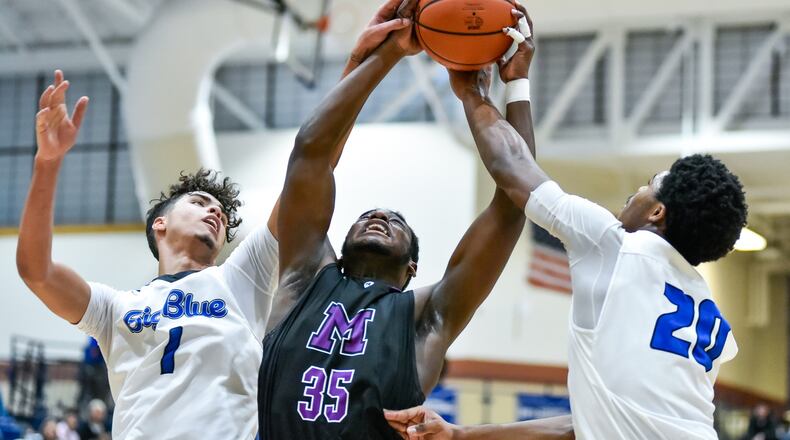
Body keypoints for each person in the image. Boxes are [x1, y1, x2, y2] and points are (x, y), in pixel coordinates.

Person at [14, 15, 395, 436]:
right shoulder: (114, 309)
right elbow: (38, 271)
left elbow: (312, 168)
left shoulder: (240, 278)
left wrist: (361, 61)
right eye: (199, 202)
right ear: (159, 223)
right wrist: (47, 163)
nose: (215, 212)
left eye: (222, 213)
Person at [387, 7, 748, 440]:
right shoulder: (709, 319)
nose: (635, 192)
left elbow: (513, 166)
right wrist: (462, 435)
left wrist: (473, 93)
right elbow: (589, 424)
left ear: (658, 213)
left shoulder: (615, 247)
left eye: (648, 186)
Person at [257, 1, 572, 438]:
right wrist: (388, 52)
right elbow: (310, 151)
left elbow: (513, 203)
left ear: (412, 270)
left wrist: (503, 88)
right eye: (368, 215)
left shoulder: (427, 317)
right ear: (341, 247)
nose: (381, 215)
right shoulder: (305, 277)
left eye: (396, 222)